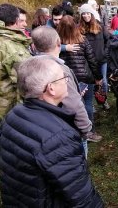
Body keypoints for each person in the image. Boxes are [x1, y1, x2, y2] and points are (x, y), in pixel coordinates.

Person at [0, 56, 103, 207]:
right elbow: (80, 196)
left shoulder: (12, 116)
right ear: (51, 88)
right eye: (63, 77)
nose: (67, 81)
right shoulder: (59, 137)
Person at [31, 26, 92, 154]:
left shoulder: (30, 67)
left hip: (42, 127)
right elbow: (74, 104)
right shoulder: (59, 70)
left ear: (34, 46)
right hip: (66, 127)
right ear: (59, 43)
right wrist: (85, 129)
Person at [57, 15, 103, 142]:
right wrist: (98, 77)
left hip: (66, 79)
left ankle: (72, 131)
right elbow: (92, 60)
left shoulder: (57, 44)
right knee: (87, 104)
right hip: (85, 77)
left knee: (69, 105)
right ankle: (90, 132)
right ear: (75, 26)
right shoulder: (82, 40)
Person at [0, 3, 31, 124]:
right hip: (8, 116)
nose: (25, 24)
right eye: (21, 20)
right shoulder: (13, 48)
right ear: (15, 20)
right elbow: (26, 85)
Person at [79, 3, 111, 110]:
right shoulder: (80, 29)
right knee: (90, 82)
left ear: (92, 14)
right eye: (83, 14)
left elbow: (109, 40)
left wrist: (105, 53)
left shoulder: (100, 26)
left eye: (88, 13)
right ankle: (90, 103)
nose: (86, 16)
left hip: (101, 60)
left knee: (103, 82)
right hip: (88, 62)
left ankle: (103, 100)